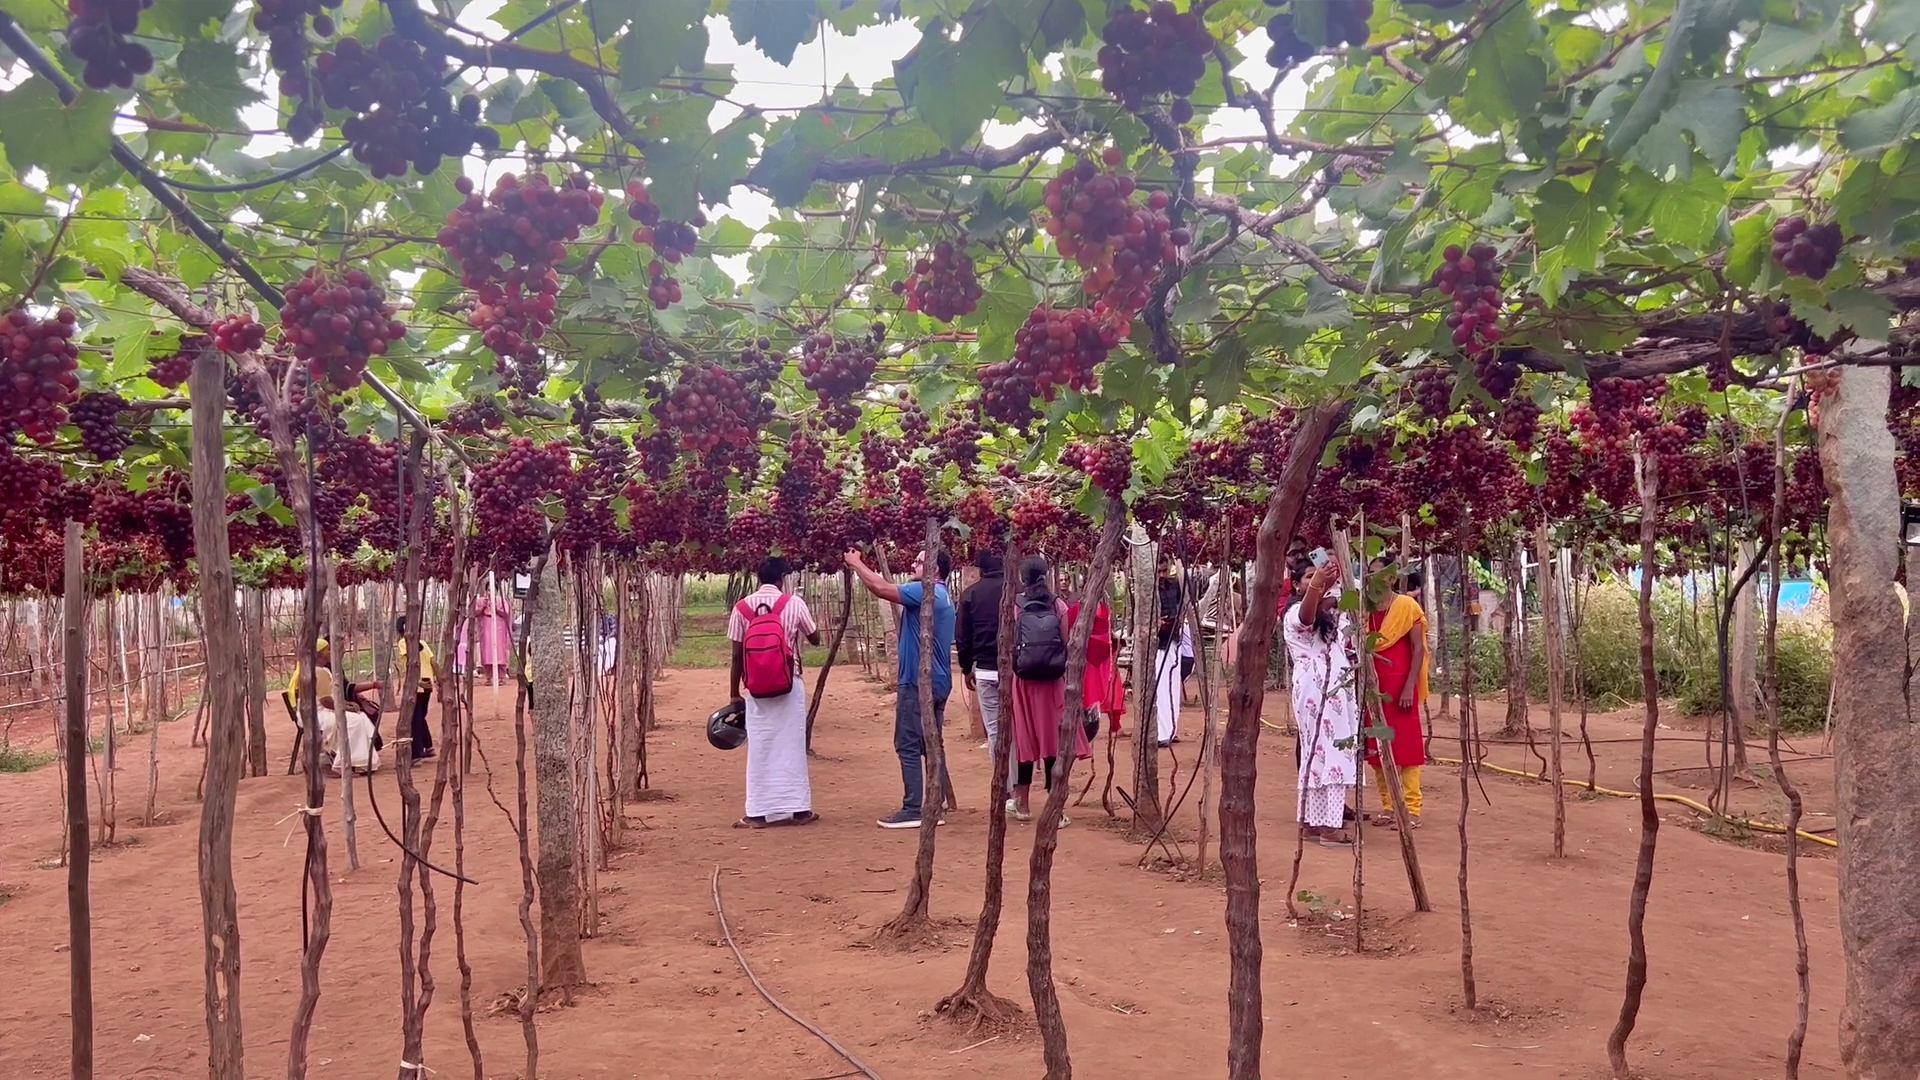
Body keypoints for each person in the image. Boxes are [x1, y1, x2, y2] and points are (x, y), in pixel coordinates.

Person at [847, 545, 956, 830]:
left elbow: (880, 588)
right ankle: (935, 801)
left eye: (919, 562)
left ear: (934, 570)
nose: (912, 565)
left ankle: (913, 809)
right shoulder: (942, 596)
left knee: (907, 743)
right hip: (938, 681)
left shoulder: (926, 592)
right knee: (929, 742)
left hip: (919, 682)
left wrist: (856, 563)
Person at [728, 556, 822, 828]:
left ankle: (757, 812)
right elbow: (815, 638)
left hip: (756, 688)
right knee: (792, 745)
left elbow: (736, 656)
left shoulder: (742, 608)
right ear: (782, 579)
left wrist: (735, 694)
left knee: (760, 747)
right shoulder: (794, 604)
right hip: (789, 683)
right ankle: (800, 809)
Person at [1283, 559, 1358, 846]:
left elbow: (1324, 608)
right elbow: (1306, 615)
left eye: (1318, 576)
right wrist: (1318, 585)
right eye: (1308, 578)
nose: (1316, 580)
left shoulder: (1329, 613)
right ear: (1298, 584)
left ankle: (1311, 822)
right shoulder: (1295, 613)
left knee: (1318, 753)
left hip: (1330, 688)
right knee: (1331, 751)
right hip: (1320, 689)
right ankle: (1329, 826)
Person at [1008, 557, 1087, 823]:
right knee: (1054, 741)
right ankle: (1056, 809)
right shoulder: (1058, 605)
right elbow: (1065, 642)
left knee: (1025, 739)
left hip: (1024, 683)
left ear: (1022, 577)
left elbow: (1009, 643)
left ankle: (1022, 803)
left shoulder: (1014, 606)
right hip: (1053, 681)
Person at [1365, 563, 1430, 827]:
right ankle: (1389, 806)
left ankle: (1412, 809)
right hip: (1374, 689)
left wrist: (1408, 687)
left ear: (1392, 578)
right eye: (1370, 572)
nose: (1374, 577)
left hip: (1400, 685)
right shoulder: (1364, 609)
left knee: (1406, 748)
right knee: (1378, 748)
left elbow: (1418, 650)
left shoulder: (1406, 606)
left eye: (1381, 572)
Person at [287, 638, 383, 773]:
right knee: (354, 721)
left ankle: (360, 761)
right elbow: (325, 701)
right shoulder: (318, 672)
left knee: (361, 718)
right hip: (316, 714)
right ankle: (346, 762)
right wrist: (345, 706)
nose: (330, 652)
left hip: (321, 711)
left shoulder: (320, 670)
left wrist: (346, 705)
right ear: (319, 654)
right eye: (327, 650)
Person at [956, 549, 1007, 767]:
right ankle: (1017, 786)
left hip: (985, 670)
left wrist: (967, 668)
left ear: (979, 569)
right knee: (1016, 729)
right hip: (1014, 670)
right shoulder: (1017, 591)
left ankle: (1001, 783)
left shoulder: (970, 594)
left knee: (995, 730)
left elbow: (962, 637)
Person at [1066, 596, 1125, 737]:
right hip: (1087, 656)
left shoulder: (1105, 608)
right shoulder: (1077, 608)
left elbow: (1108, 629)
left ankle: (1115, 726)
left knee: (1112, 692)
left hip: (1105, 656)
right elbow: (1067, 628)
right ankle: (1085, 728)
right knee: (1089, 694)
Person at [393, 616, 436, 762]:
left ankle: (417, 752)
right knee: (419, 715)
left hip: (417, 683)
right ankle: (428, 745)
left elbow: (412, 655)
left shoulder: (403, 643)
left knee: (414, 718)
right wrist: (439, 680)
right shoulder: (423, 642)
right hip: (427, 682)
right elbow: (433, 662)